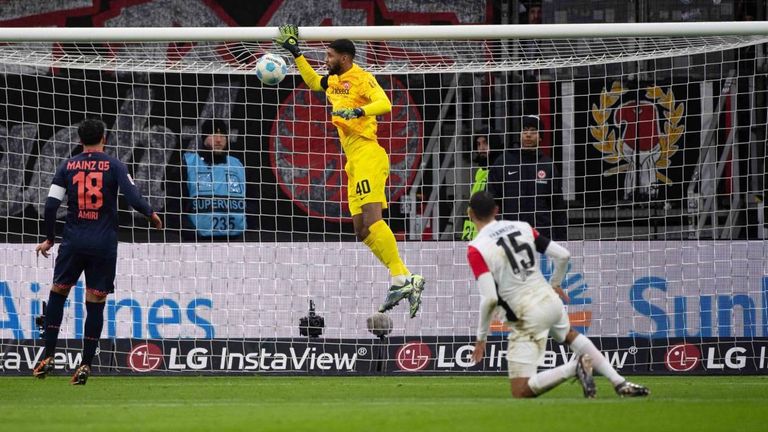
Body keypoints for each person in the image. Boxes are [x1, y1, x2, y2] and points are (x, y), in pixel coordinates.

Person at [276, 24, 425, 318]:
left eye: (329, 55)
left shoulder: (362, 78)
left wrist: (358, 111)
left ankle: (399, 277)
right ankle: (407, 278)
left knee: (373, 219)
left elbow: (384, 103)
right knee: (360, 229)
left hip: (369, 153)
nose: (326, 60)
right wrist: (296, 54)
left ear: (344, 58)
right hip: (353, 160)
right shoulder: (334, 81)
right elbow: (314, 83)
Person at [466, 191, 649, 398]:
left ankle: (573, 368)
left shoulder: (476, 248)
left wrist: (481, 338)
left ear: (470, 214)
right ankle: (619, 382)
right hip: (549, 300)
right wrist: (555, 283)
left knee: (521, 391)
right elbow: (563, 255)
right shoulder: (522, 227)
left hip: (526, 315)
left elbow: (489, 298)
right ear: (496, 210)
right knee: (571, 336)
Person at [33, 118, 162, 385]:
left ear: (80, 140)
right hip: (103, 245)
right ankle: (85, 364)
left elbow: (50, 206)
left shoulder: (67, 166)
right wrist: (151, 215)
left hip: (73, 242)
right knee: (95, 303)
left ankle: (47, 355)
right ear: (104, 137)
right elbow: (133, 198)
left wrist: (49, 239)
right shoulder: (115, 165)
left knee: (58, 293)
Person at [488, 115, 567, 240]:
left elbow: (557, 207)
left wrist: (562, 239)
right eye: (524, 130)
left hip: (541, 238)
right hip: (511, 237)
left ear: (540, 137)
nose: (528, 134)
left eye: (533, 131)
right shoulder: (504, 161)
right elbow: (492, 202)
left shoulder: (548, 166)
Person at [179, 119, 246, 239]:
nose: (219, 140)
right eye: (214, 134)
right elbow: (174, 203)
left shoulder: (237, 165)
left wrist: (247, 225)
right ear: (204, 138)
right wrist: (188, 230)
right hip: (197, 242)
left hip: (235, 240)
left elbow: (253, 200)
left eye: (222, 135)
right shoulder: (188, 164)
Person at [461, 132, 492, 240]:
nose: (481, 148)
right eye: (478, 144)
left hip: (488, 239)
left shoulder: (498, 171)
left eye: (485, 143)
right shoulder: (480, 171)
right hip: (474, 237)